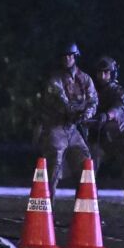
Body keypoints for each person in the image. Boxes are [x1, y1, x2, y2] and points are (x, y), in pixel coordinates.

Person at [36, 42, 98, 203]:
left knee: (85, 163)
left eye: (70, 56)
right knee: (54, 164)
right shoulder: (55, 80)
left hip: (74, 128)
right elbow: (60, 101)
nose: (67, 59)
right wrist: (76, 111)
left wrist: (85, 114)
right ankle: (47, 206)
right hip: (57, 126)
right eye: (64, 56)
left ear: (75, 57)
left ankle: (83, 208)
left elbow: (93, 101)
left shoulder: (84, 79)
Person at [89, 56, 124, 226]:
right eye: (100, 73)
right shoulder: (90, 90)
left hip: (121, 135)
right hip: (99, 137)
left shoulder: (120, 93)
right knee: (87, 172)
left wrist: (106, 116)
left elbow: (120, 108)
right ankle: (89, 211)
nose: (103, 76)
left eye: (106, 73)